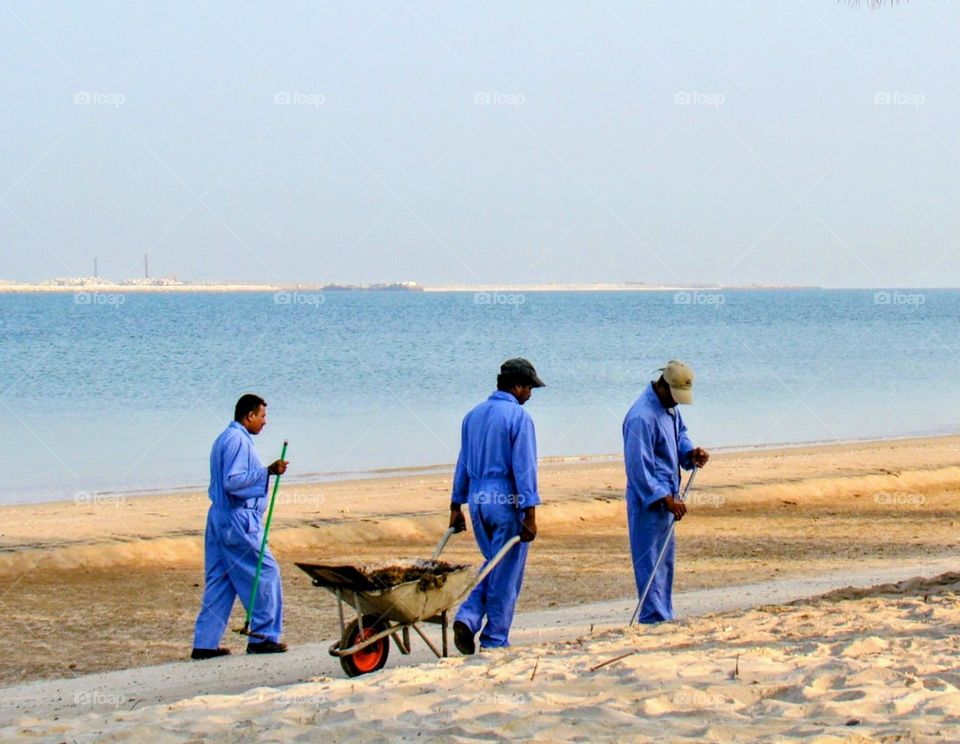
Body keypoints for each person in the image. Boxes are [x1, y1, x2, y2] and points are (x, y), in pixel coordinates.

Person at [449, 358, 545, 654]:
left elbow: (462, 462)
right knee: (507, 573)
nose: (530, 394)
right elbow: (524, 467)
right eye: (529, 387)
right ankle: (493, 637)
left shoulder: (472, 415)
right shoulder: (518, 417)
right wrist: (530, 511)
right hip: (505, 498)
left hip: (478, 499)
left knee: (495, 563)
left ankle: (469, 619)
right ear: (516, 385)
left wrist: (456, 504)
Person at [191, 394, 290, 659]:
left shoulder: (225, 438)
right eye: (262, 416)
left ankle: (205, 644)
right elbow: (232, 482)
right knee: (267, 571)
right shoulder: (235, 440)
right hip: (236, 518)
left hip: (220, 519)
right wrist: (266, 472)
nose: (265, 422)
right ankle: (262, 636)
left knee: (221, 579)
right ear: (249, 416)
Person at [623, 360, 709, 624]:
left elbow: (680, 433)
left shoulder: (669, 408)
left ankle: (664, 614)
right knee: (649, 562)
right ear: (662, 385)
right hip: (649, 501)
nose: (677, 402)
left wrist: (689, 453)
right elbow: (638, 468)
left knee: (665, 563)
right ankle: (652, 617)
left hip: (669, 496)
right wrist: (664, 498)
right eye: (675, 396)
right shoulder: (641, 417)